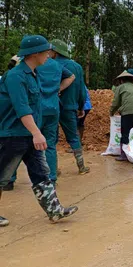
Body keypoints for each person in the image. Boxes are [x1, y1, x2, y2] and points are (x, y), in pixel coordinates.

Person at [0, 35, 78, 227]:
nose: (49, 56)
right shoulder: (16, 76)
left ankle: (54, 210)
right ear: (35, 54)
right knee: (1, 176)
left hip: (27, 134)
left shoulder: (33, 74)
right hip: (13, 134)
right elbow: (21, 108)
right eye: (46, 52)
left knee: (40, 173)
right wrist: (37, 132)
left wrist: (35, 132)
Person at [7, 47, 76, 189]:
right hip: (52, 108)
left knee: (19, 144)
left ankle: (9, 179)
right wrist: (58, 89)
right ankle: (51, 179)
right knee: (49, 144)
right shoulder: (56, 65)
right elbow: (71, 76)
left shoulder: (27, 66)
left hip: (33, 111)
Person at [52, 39, 90, 175]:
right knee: (73, 137)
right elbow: (81, 90)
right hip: (69, 107)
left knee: (51, 139)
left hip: (51, 107)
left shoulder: (46, 64)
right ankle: (81, 167)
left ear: (55, 52)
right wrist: (81, 107)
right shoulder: (76, 67)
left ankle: (54, 170)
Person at [110, 71, 133, 161]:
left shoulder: (120, 87)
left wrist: (111, 112)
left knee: (125, 133)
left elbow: (116, 102)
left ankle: (124, 155)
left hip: (128, 112)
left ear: (121, 80)